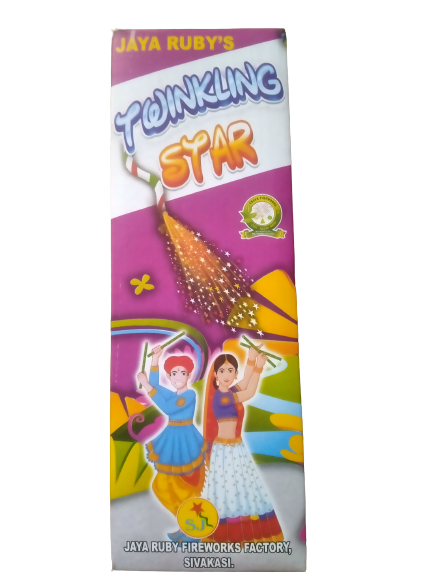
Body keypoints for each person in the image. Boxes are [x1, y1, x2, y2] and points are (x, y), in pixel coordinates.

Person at [201, 345, 284, 545]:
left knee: (243, 488)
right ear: (215, 375)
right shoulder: (222, 397)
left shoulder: (229, 390)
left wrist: (252, 358)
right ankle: (229, 535)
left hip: (235, 447)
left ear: (235, 373)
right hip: (225, 450)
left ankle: (246, 533)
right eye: (222, 371)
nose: (226, 375)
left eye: (230, 370)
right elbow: (249, 392)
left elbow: (245, 382)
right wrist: (259, 368)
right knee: (230, 490)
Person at [137, 345, 207, 542]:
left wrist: (147, 386)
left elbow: (168, 408)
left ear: (189, 376)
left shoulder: (189, 395)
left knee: (184, 485)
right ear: (168, 376)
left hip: (186, 439)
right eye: (173, 373)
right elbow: (155, 386)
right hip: (171, 438)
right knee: (161, 486)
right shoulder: (173, 394)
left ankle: (193, 527)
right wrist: (155, 359)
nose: (178, 377)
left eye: (182, 373)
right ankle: (185, 523)